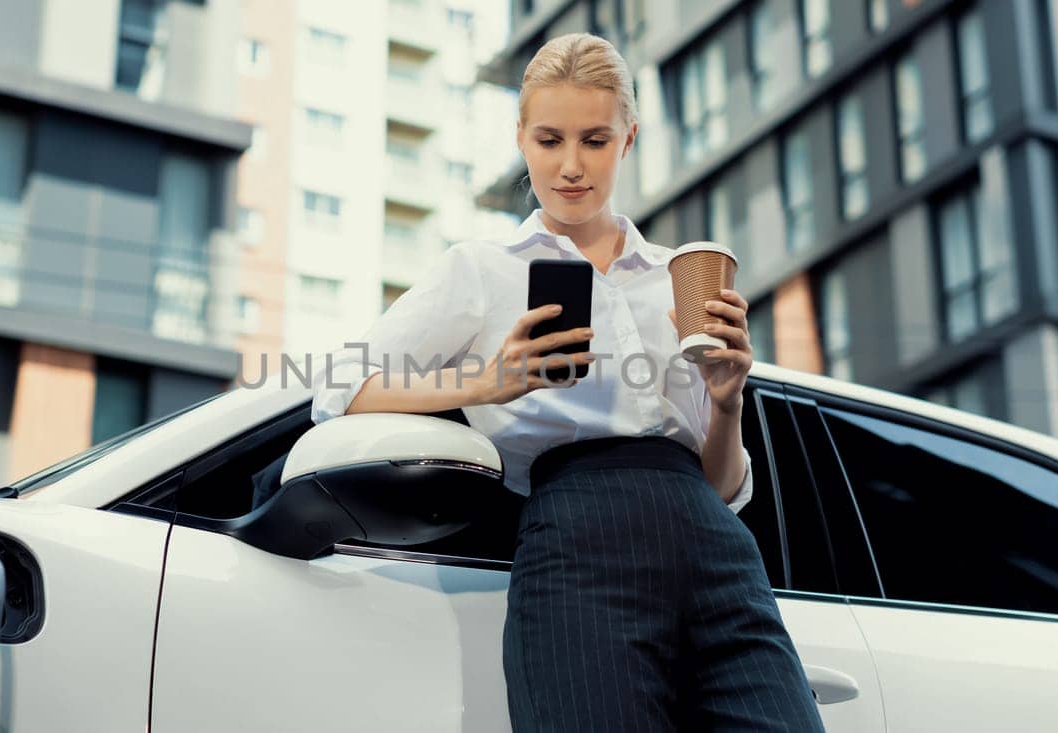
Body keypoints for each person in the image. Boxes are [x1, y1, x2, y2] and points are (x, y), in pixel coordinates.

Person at [311, 32, 825, 732]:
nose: (572, 166)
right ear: (520, 137)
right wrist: (487, 382)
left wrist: (728, 401)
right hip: (578, 537)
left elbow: (725, 488)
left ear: (630, 138)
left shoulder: (676, 273)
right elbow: (337, 387)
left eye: (596, 139)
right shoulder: (485, 269)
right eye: (550, 139)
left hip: (716, 547)